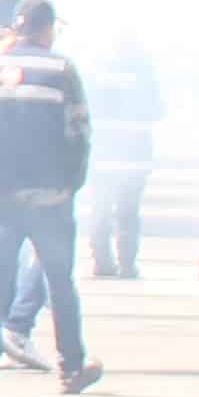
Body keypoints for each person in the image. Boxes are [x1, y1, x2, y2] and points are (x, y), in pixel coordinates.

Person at [0, 0, 102, 397]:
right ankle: (71, 368)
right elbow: (80, 131)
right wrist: (71, 183)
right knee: (59, 280)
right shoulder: (61, 68)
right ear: (46, 28)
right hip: (50, 197)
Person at [78, 31, 163, 279]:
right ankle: (127, 263)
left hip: (101, 154)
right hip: (134, 155)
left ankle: (102, 262)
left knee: (100, 209)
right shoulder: (144, 73)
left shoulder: (94, 71)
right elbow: (158, 109)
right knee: (128, 211)